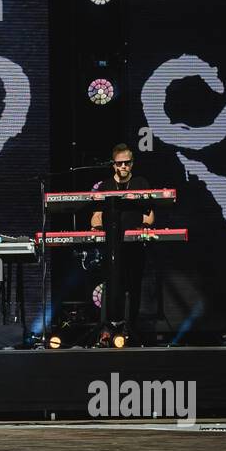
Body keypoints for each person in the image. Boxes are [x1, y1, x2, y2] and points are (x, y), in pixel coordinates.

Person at [89, 143, 154, 342]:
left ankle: (128, 328)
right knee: (111, 285)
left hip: (133, 245)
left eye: (127, 163)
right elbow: (96, 216)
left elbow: (149, 215)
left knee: (133, 286)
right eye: (119, 163)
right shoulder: (105, 186)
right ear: (113, 165)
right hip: (111, 246)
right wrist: (96, 227)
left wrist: (142, 226)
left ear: (132, 164)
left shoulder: (141, 182)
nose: (123, 166)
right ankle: (107, 328)